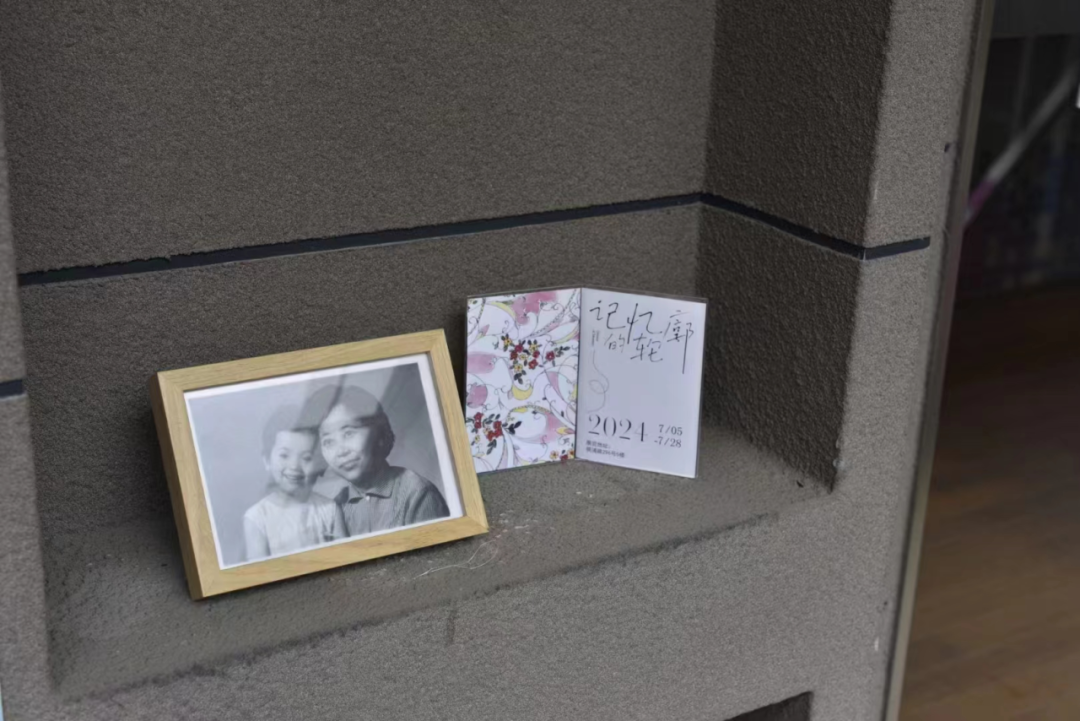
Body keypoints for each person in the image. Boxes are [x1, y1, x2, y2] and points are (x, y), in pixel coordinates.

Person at [301, 384, 450, 536]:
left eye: (349, 433)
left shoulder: (417, 493)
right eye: (328, 442)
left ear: (379, 433)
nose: (341, 451)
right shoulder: (336, 507)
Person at [243, 407, 347, 562]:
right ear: (267, 460)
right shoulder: (257, 518)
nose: (294, 466)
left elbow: (346, 558)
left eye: (306, 458)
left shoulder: (329, 509)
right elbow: (260, 571)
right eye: (284, 455)